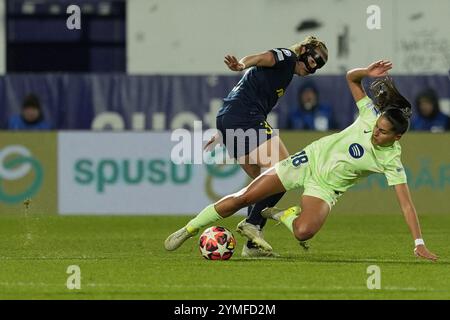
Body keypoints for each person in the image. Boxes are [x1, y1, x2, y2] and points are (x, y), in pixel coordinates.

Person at [165, 60, 438, 262]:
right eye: (377, 126)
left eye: (382, 132)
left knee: (303, 233)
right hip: (306, 161)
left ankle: (285, 214)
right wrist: (367, 72)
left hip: (327, 188)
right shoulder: (369, 115)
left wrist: (418, 242)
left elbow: (406, 203)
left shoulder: (391, 160)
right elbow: (351, 78)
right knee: (244, 198)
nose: (375, 132)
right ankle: (189, 229)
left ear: (397, 137)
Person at [202, 36, 328, 257]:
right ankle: (251, 224)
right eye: (313, 62)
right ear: (304, 54)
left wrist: (224, 130)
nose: (313, 69)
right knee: (285, 171)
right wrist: (242, 64)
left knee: (264, 183)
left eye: (318, 66)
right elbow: (262, 57)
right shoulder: (288, 57)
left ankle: (252, 244)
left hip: (230, 118)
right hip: (245, 117)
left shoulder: (287, 72)